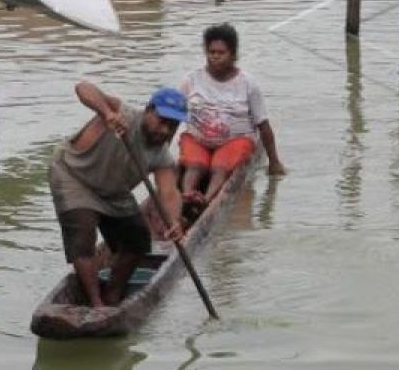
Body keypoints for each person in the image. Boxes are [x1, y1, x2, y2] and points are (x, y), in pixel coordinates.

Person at [49, 81, 187, 308]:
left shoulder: (161, 156)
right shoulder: (123, 114)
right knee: (82, 235)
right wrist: (106, 113)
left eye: (172, 126)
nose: (165, 131)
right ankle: (96, 304)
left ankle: (114, 294)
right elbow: (83, 88)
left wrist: (173, 222)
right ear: (149, 110)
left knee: (139, 240)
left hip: (112, 192)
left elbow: (169, 192)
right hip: (73, 176)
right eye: (162, 122)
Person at [178, 23, 285, 209]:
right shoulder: (191, 80)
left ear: (233, 55)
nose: (215, 57)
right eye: (211, 52)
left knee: (219, 168)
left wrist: (274, 162)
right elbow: (173, 117)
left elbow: (263, 125)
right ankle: (187, 196)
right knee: (195, 165)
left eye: (221, 53)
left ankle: (206, 199)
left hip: (234, 141)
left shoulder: (247, 84)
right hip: (198, 139)